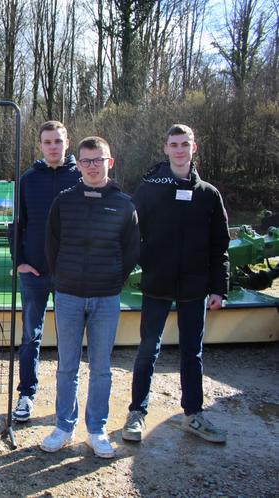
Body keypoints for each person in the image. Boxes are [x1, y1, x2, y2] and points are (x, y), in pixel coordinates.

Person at [122, 124, 230, 444]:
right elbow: (130, 230)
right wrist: (145, 261)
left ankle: (193, 415)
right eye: (174, 144)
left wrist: (218, 287)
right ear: (166, 149)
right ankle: (137, 413)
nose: (180, 149)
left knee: (191, 352)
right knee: (147, 349)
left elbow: (219, 246)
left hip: (195, 287)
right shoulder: (149, 188)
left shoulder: (209, 195)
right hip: (157, 283)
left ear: (194, 148)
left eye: (185, 144)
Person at [40, 137, 139, 458]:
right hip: (68, 296)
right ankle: (63, 427)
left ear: (110, 162)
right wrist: (61, 278)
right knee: (66, 367)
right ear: (78, 164)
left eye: (98, 160)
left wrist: (112, 280)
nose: (92, 166)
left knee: (101, 369)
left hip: (106, 299)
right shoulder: (64, 201)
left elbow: (131, 251)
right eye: (86, 161)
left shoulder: (124, 205)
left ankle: (96, 430)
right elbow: (51, 245)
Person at [8, 121, 80, 422]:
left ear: (67, 143)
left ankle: (67, 400)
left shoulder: (81, 176)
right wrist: (19, 261)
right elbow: (15, 224)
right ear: (40, 145)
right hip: (34, 272)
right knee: (30, 337)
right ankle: (26, 394)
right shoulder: (27, 179)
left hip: (70, 274)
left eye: (58, 141)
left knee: (70, 338)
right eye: (48, 142)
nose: (53, 146)